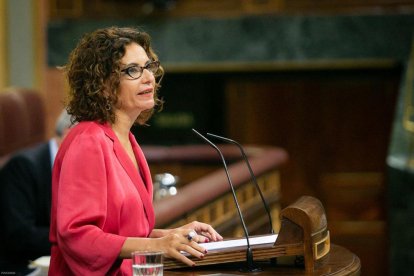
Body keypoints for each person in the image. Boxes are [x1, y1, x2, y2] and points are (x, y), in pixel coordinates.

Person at [48, 26, 223, 275]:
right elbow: (78, 236)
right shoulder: (88, 141)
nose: (148, 77)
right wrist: (155, 245)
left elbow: (123, 234)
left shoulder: (127, 139)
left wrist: (173, 235)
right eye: (132, 70)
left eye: (149, 66)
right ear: (103, 85)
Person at [0, 110, 73, 275]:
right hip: (21, 267)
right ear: (69, 133)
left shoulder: (85, 169)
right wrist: (77, 240)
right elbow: (19, 236)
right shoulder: (23, 166)